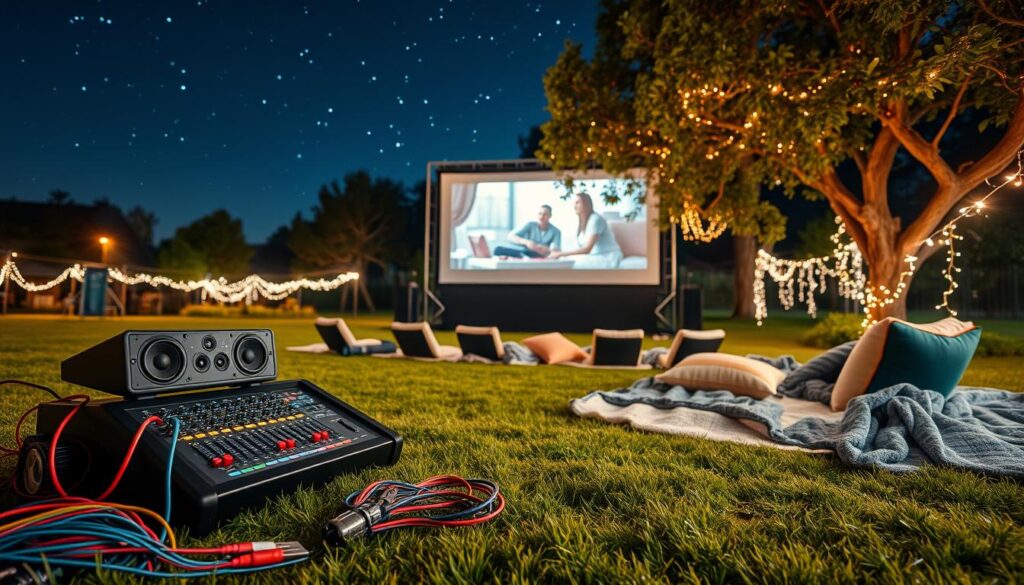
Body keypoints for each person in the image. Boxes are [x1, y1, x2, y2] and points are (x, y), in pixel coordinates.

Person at [549, 193, 622, 268]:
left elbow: (587, 249)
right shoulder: (583, 223)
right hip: (595, 256)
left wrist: (560, 253)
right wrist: (558, 252)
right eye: (574, 203)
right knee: (565, 260)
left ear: (586, 204)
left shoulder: (596, 219)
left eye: (578, 203)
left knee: (569, 264)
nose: (574, 206)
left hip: (607, 256)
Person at [492, 204, 562, 258]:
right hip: (525, 252)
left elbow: (556, 250)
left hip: (541, 255)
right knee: (498, 249)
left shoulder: (556, 231)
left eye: (545, 214)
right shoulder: (530, 225)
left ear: (550, 216)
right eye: (540, 213)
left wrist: (543, 248)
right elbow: (510, 236)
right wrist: (527, 242)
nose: (541, 217)